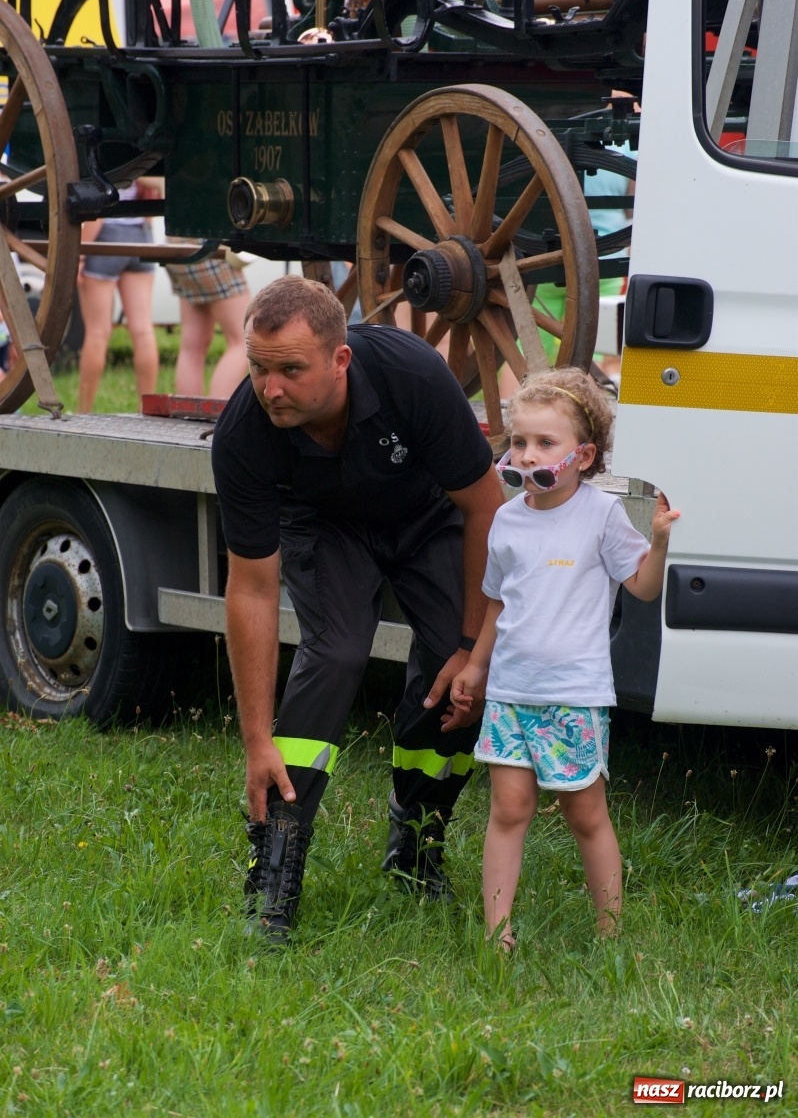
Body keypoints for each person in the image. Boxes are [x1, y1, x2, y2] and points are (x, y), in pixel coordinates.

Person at [211, 275, 504, 942]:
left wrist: (468, 645)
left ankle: (416, 846)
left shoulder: (413, 375)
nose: (270, 388)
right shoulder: (244, 435)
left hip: (428, 518)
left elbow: (487, 507)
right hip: (325, 525)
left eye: (290, 370)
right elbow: (252, 589)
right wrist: (257, 740)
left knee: (457, 674)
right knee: (337, 653)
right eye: (258, 369)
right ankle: (275, 873)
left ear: (340, 360)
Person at [450, 368, 680, 946]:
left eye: (544, 444)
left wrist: (658, 544)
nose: (528, 456)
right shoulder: (505, 520)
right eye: (520, 442)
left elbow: (642, 589)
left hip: (573, 696)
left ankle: (610, 935)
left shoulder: (600, 515)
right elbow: (500, 607)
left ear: (583, 456)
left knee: (584, 815)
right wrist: (476, 669)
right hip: (510, 692)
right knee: (508, 809)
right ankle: (496, 937)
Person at [77, 185, 158, 413]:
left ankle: (84, 411)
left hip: (106, 234)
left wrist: (79, 255)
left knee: (97, 333)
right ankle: (148, 409)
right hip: (141, 235)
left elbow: (98, 208)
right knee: (143, 330)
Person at [166, 250, 250, 399]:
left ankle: (187, 415)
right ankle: (217, 417)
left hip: (178, 249)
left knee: (192, 346)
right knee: (244, 341)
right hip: (209, 249)